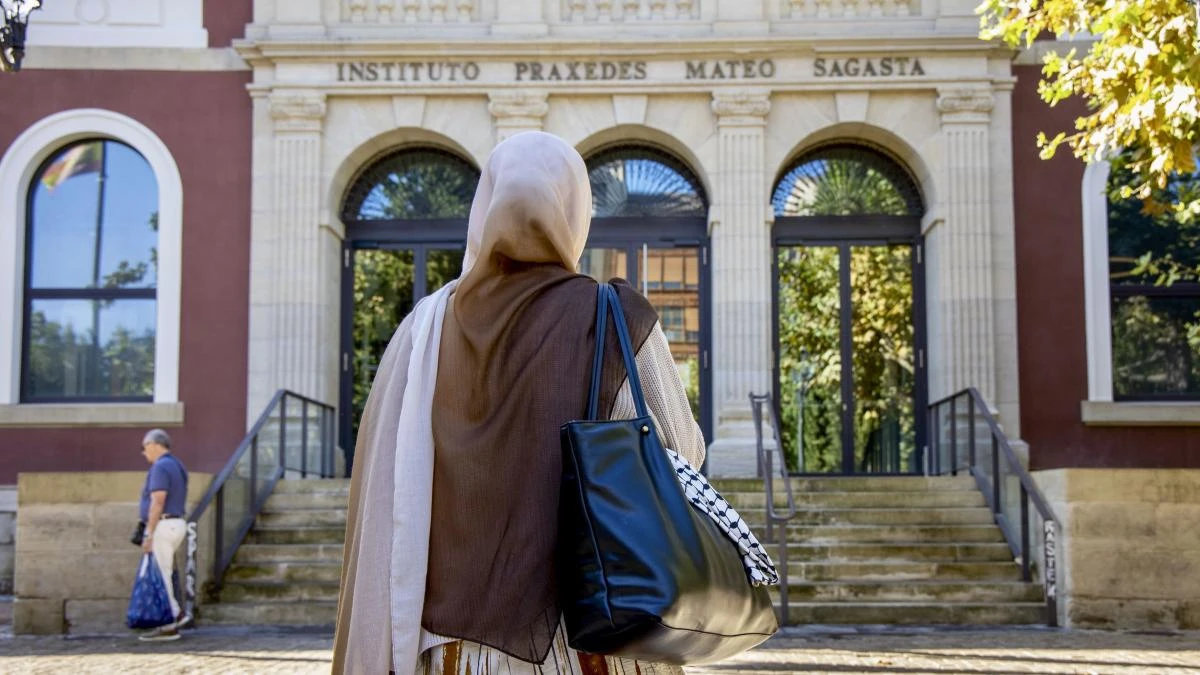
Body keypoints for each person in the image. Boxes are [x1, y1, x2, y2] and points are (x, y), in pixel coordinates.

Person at [333, 131, 706, 675]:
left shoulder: (423, 330)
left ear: (485, 207)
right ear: (575, 211)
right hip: (594, 641)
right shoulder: (615, 318)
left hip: (451, 648)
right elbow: (680, 456)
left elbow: (385, 485)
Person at [137, 428, 189, 642]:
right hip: (176, 523)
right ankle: (176, 613)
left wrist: (148, 533)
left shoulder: (160, 467)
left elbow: (158, 501)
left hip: (163, 525)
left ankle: (170, 623)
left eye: (145, 447)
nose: (143, 452)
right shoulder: (177, 465)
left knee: (161, 574)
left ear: (154, 444)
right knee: (165, 571)